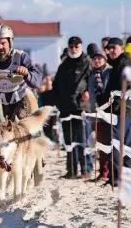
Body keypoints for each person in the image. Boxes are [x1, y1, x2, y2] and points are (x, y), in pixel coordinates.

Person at [51, 36, 93, 179]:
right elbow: (56, 85)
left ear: (81, 47)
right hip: (66, 108)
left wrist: (88, 92)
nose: (74, 49)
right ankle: (72, 170)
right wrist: (57, 103)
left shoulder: (87, 62)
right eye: (71, 47)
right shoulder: (64, 65)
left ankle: (86, 169)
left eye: (77, 47)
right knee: (68, 141)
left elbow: (93, 81)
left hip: (82, 107)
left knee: (82, 139)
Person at [102, 37, 131, 187]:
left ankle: (117, 178)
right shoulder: (118, 63)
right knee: (128, 143)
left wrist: (117, 96)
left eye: (114, 48)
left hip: (122, 108)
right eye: (108, 48)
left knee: (117, 143)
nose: (111, 51)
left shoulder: (124, 63)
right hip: (128, 108)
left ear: (121, 48)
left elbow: (130, 82)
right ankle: (126, 176)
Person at [87, 50, 112, 181]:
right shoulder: (92, 75)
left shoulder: (110, 72)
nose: (97, 61)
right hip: (96, 114)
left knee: (110, 143)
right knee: (100, 144)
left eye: (99, 58)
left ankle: (110, 171)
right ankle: (103, 171)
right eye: (94, 59)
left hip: (109, 113)